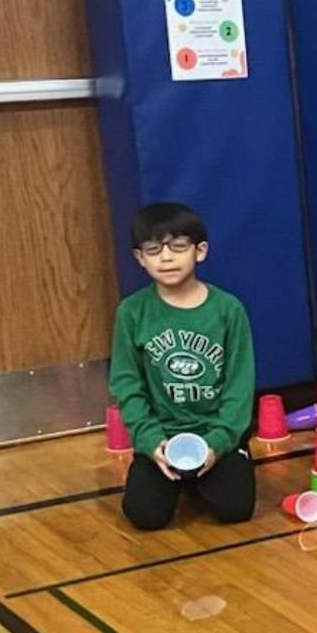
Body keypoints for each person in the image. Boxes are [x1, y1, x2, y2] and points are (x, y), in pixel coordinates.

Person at [110, 202, 257, 530]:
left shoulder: (228, 310)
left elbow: (239, 386)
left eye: (177, 247)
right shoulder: (131, 312)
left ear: (199, 251)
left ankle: (213, 471)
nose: (166, 257)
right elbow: (126, 385)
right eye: (153, 249)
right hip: (163, 436)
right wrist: (151, 442)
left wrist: (219, 443)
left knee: (235, 510)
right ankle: (176, 479)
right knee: (145, 516)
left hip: (215, 434)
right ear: (140, 259)